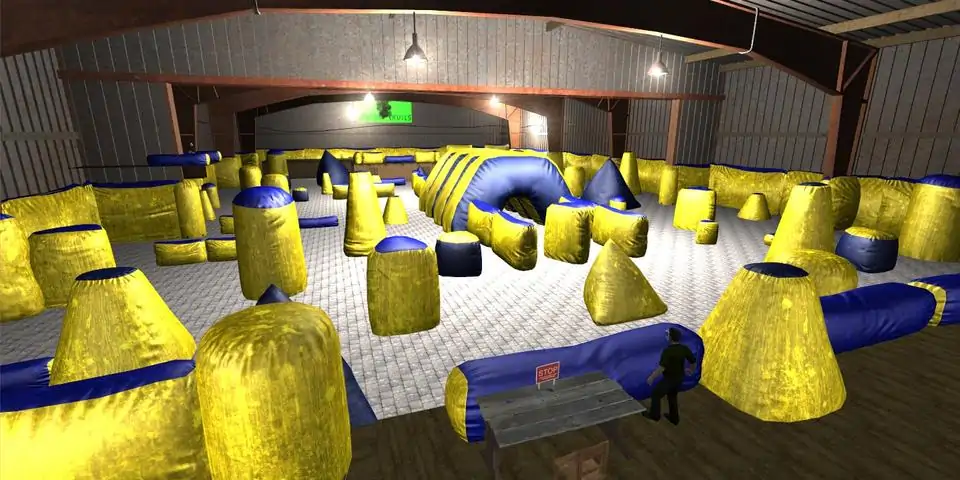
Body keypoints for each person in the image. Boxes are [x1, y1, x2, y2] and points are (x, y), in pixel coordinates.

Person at [641, 327, 697, 425]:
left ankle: (655, 416)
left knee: (656, 394)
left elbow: (662, 367)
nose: (666, 336)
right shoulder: (684, 348)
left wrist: (652, 377)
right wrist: (691, 370)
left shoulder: (667, 351)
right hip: (679, 378)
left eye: (667, 334)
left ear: (671, 337)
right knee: (672, 396)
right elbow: (693, 361)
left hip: (669, 379)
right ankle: (674, 418)